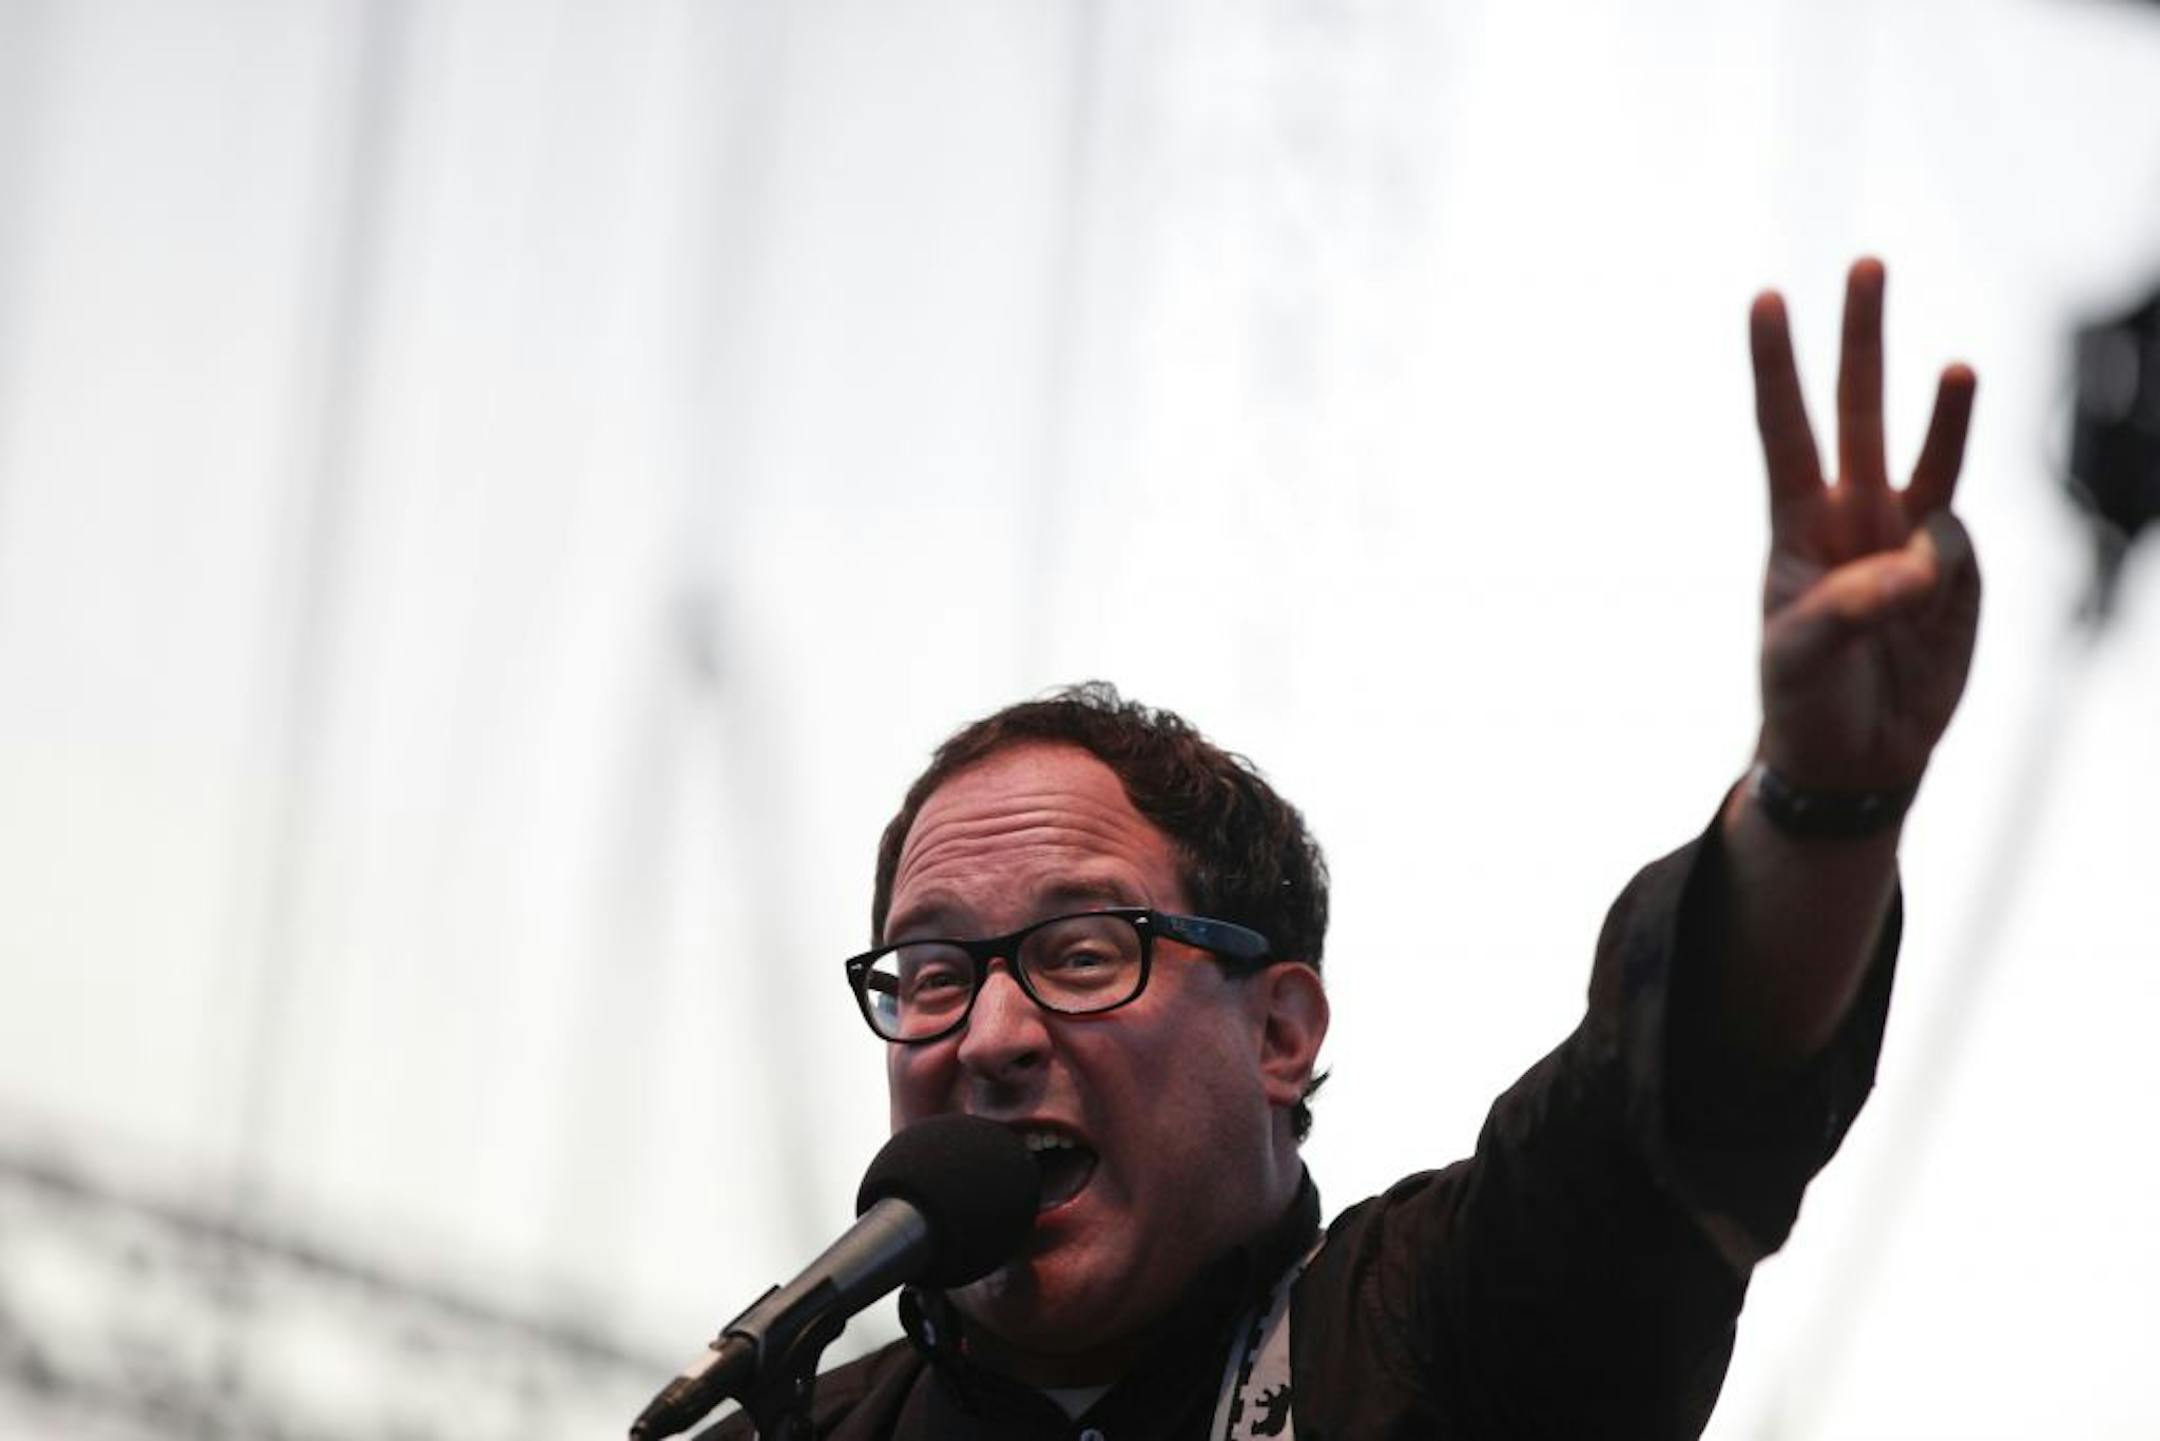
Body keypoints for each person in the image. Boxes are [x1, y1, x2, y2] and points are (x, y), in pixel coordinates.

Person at [701, 258, 1981, 1439]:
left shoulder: (1437, 1330)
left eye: (1081, 953)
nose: (985, 1038)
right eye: (929, 975)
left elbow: (1674, 1102)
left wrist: (1825, 799)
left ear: (1279, 1033)